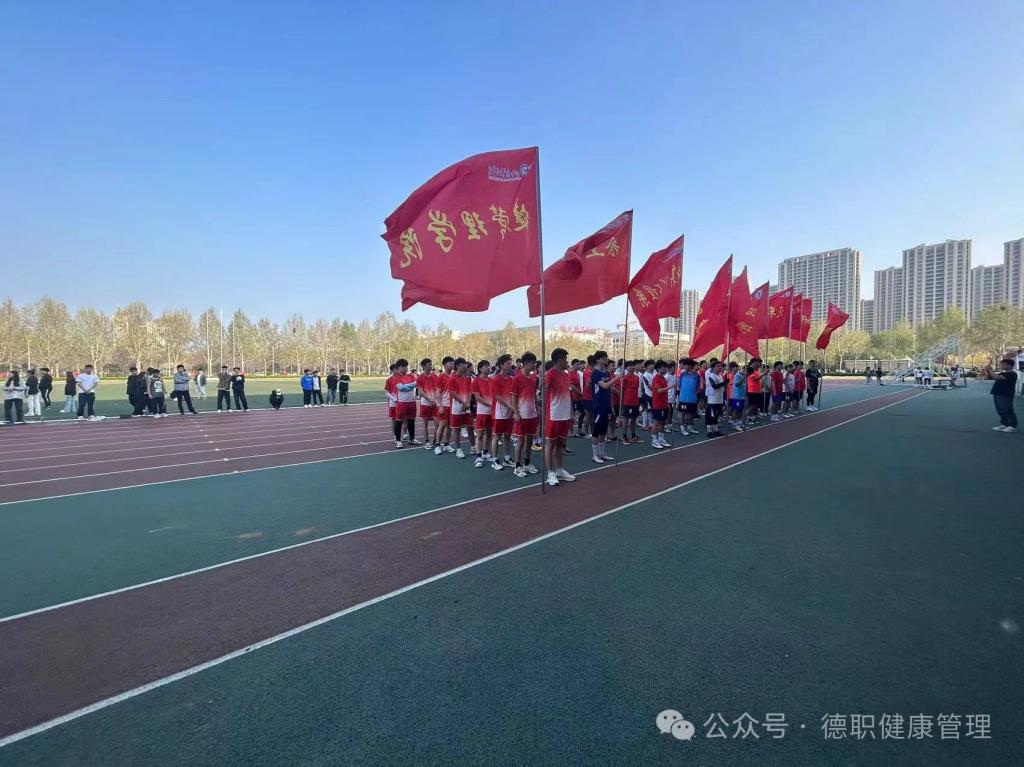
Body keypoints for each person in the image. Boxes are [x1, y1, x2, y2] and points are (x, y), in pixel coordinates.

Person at [542, 348, 577, 485]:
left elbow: (568, 395)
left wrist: (571, 412)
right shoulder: (550, 374)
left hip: (565, 414)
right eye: (565, 359)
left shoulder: (566, 375)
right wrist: (541, 385)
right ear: (559, 359)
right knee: (550, 444)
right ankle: (550, 473)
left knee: (560, 444)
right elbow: (543, 391)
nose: (567, 361)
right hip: (554, 414)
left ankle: (559, 470)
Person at [511, 352, 540, 476]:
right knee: (520, 441)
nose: (535, 365)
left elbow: (534, 395)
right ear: (526, 363)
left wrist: (537, 408)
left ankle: (527, 464)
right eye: (533, 363)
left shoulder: (534, 378)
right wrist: (516, 412)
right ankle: (517, 466)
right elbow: (513, 396)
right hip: (522, 414)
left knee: (529, 440)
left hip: (532, 414)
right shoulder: (517, 378)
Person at [589, 350, 618, 463]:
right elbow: (605, 386)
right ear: (597, 360)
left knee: (603, 431)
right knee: (596, 431)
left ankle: (602, 453)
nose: (606, 359)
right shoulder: (595, 373)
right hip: (598, 405)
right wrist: (617, 378)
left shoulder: (606, 373)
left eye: (606, 357)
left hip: (606, 405)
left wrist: (612, 405)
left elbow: (609, 389)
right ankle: (595, 455)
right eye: (603, 357)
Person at [488, 354, 516, 471]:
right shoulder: (495, 379)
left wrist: (512, 409)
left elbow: (513, 395)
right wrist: (510, 407)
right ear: (501, 365)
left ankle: (507, 458)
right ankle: (494, 459)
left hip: (509, 412)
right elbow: (497, 397)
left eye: (510, 362)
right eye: (508, 363)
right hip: (499, 412)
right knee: (497, 436)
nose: (510, 364)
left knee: (508, 436)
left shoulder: (511, 379)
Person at [391, 358, 420, 448]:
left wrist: (406, 386)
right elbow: (401, 388)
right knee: (399, 422)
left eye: (406, 367)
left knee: (411, 421)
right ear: (398, 368)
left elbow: (416, 384)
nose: (405, 368)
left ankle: (412, 439)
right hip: (402, 402)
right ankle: (398, 440)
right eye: (403, 367)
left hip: (412, 402)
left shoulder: (411, 376)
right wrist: (411, 385)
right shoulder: (396, 377)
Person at [447, 358, 472, 458]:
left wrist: (468, 403)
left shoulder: (467, 378)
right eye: (463, 364)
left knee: (470, 427)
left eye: (465, 365)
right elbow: (452, 393)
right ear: (457, 366)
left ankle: (473, 447)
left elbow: (470, 392)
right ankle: (458, 450)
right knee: (456, 430)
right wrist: (463, 403)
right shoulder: (452, 378)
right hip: (457, 408)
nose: (465, 366)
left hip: (467, 407)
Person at [988, 358, 1018, 433]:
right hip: (997, 393)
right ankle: (1005, 424)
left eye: (1004, 364)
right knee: (1000, 410)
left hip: (1006, 394)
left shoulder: (1012, 374)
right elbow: (991, 377)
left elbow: (997, 377)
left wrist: (990, 370)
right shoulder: (1002, 373)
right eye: (1001, 364)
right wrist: (987, 371)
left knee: (1008, 409)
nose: (1001, 366)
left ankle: (1012, 426)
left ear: (1010, 365)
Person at [649, 360, 670, 448]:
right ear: (658, 368)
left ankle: (661, 439)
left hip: (664, 403)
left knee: (663, 422)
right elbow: (659, 390)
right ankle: (654, 440)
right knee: (657, 422)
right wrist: (670, 387)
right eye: (663, 367)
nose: (665, 369)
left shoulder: (663, 378)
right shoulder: (656, 378)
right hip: (658, 404)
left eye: (665, 367)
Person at [676, 358, 701, 436]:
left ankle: (690, 428)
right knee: (682, 413)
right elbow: (679, 385)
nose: (685, 367)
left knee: (690, 414)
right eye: (684, 365)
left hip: (692, 398)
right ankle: (682, 429)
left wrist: (694, 393)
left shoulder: (697, 375)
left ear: (691, 366)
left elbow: (698, 387)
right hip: (683, 398)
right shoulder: (682, 374)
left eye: (687, 365)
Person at [704, 359, 726, 437]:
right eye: (718, 366)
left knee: (716, 416)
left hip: (719, 399)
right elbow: (714, 386)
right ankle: (709, 431)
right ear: (713, 368)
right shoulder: (711, 376)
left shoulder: (719, 376)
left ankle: (715, 430)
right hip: (713, 400)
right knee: (711, 416)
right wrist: (724, 383)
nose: (720, 367)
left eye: (720, 366)